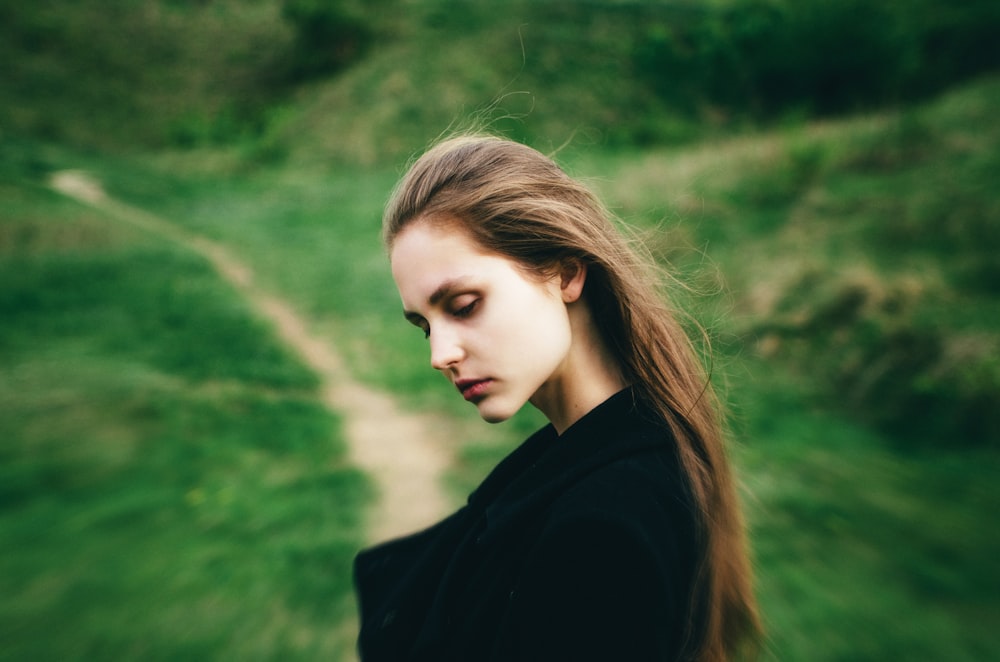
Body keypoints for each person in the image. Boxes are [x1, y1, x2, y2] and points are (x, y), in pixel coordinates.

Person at [353, 135, 760, 661]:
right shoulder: (610, 451)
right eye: (424, 326)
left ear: (566, 272)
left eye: (463, 305)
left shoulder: (600, 534)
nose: (440, 353)